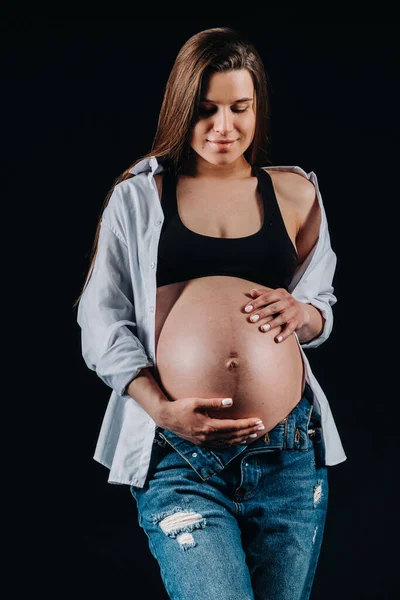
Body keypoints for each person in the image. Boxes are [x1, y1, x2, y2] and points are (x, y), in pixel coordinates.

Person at [75, 26, 347, 600]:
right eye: (205, 110)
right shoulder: (140, 196)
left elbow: (320, 309)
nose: (224, 127)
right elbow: (101, 321)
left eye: (239, 108)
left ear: (257, 107)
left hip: (288, 452)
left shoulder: (296, 193)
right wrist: (163, 410)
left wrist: (302, 313)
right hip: (178, 455)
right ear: (181, 108)